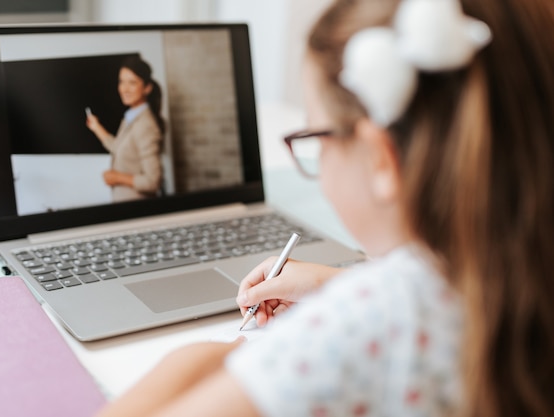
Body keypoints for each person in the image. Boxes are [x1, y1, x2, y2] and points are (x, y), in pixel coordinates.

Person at [95, 0, 554, 416]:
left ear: (380, 159)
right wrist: (339, 282)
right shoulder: (513, 276)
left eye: (313, 136)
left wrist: (206, 357)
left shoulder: (361, 326)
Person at [86, 54, 165, 202]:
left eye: (132, 83)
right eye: (122, 82)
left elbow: (153, 181)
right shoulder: (131, 117)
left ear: (147, 88)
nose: (125, 89)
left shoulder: (146, 126)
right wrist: (96, 127)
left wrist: (118, 177)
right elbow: (118, 147)